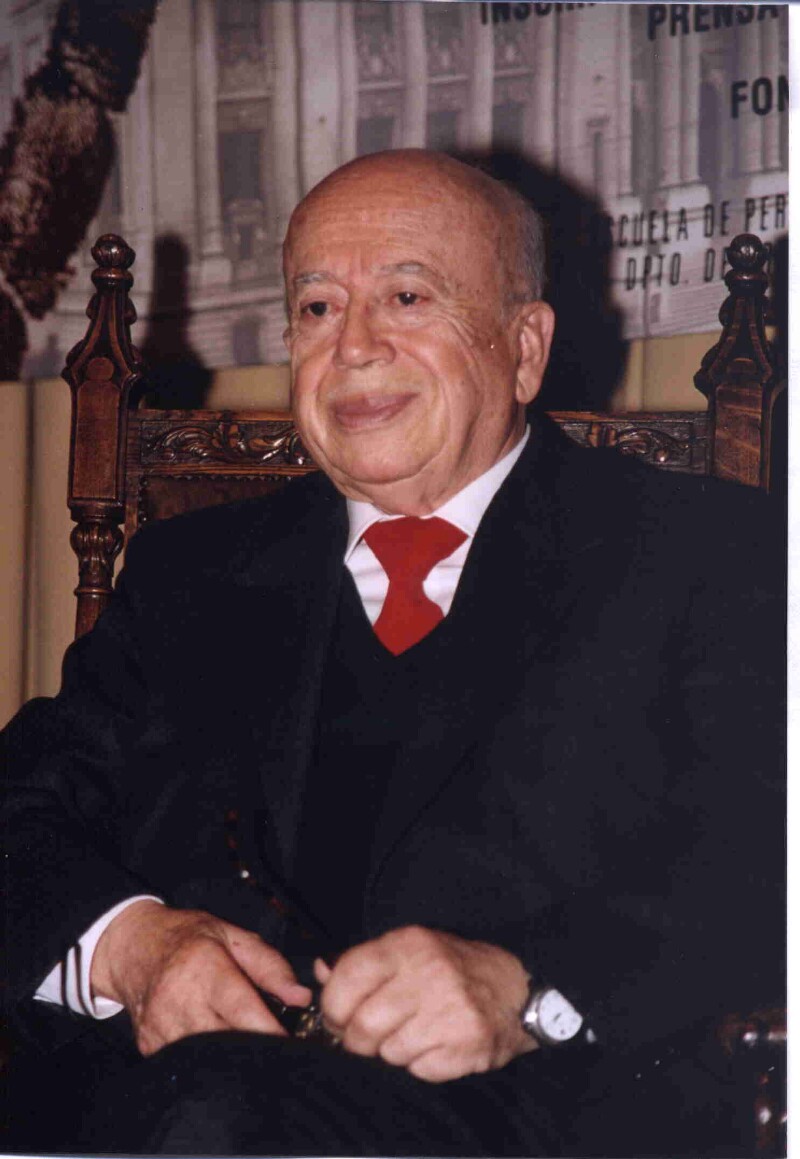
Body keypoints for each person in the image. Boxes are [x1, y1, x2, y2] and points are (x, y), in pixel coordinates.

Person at [1, 150, 784, 1157]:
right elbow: (24, 806)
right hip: (166, 1101)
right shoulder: (189, 573)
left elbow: (761, 847)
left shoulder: (705, 553)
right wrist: (131, 945)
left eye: (407, 297)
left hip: (529, 1113)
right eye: (317, 307)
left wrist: (529, 985)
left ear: (524, 349)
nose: (355, 347)